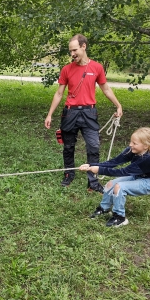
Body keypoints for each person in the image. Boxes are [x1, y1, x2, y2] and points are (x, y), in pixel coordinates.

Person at [44, 34, 123, 189]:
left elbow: (106, 89)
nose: (72, 54)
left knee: (93, 147)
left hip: (89, 113)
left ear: (83, 46)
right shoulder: (66, 69)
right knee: (68, 147)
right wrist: (49, 114)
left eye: (74, 50)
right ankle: (68, 174)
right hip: (70, 113)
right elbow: (59, 93)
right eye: (70, 51)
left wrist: (118, 105)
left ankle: (92, 182)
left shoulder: (97, 67)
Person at [79, 127, 150, 227]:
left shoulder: (147, 159)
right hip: (137, 176)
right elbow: (114, 162)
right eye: (131, 142)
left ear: (145, 146)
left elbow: (123, 172)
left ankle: (119, 217)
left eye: (134, 143)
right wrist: (90, 165)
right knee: (111, 183)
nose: (130, 145)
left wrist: (99, 170)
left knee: (119, 187)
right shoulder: (131, 150)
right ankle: (104, 208)